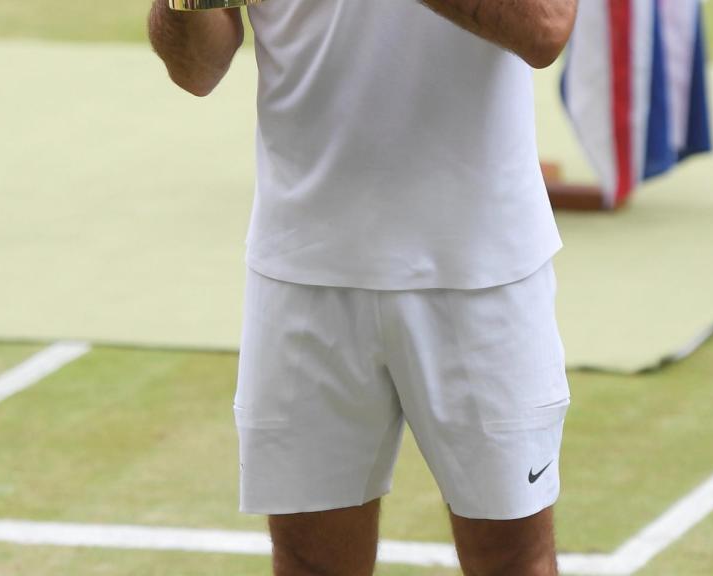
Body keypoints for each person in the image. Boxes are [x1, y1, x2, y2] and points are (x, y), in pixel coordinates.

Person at [148, 1, 578, 574]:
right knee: (308, 562)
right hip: (304, 265)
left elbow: (544, 27)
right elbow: (195, 69)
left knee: (511, 562)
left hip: (480, 267)